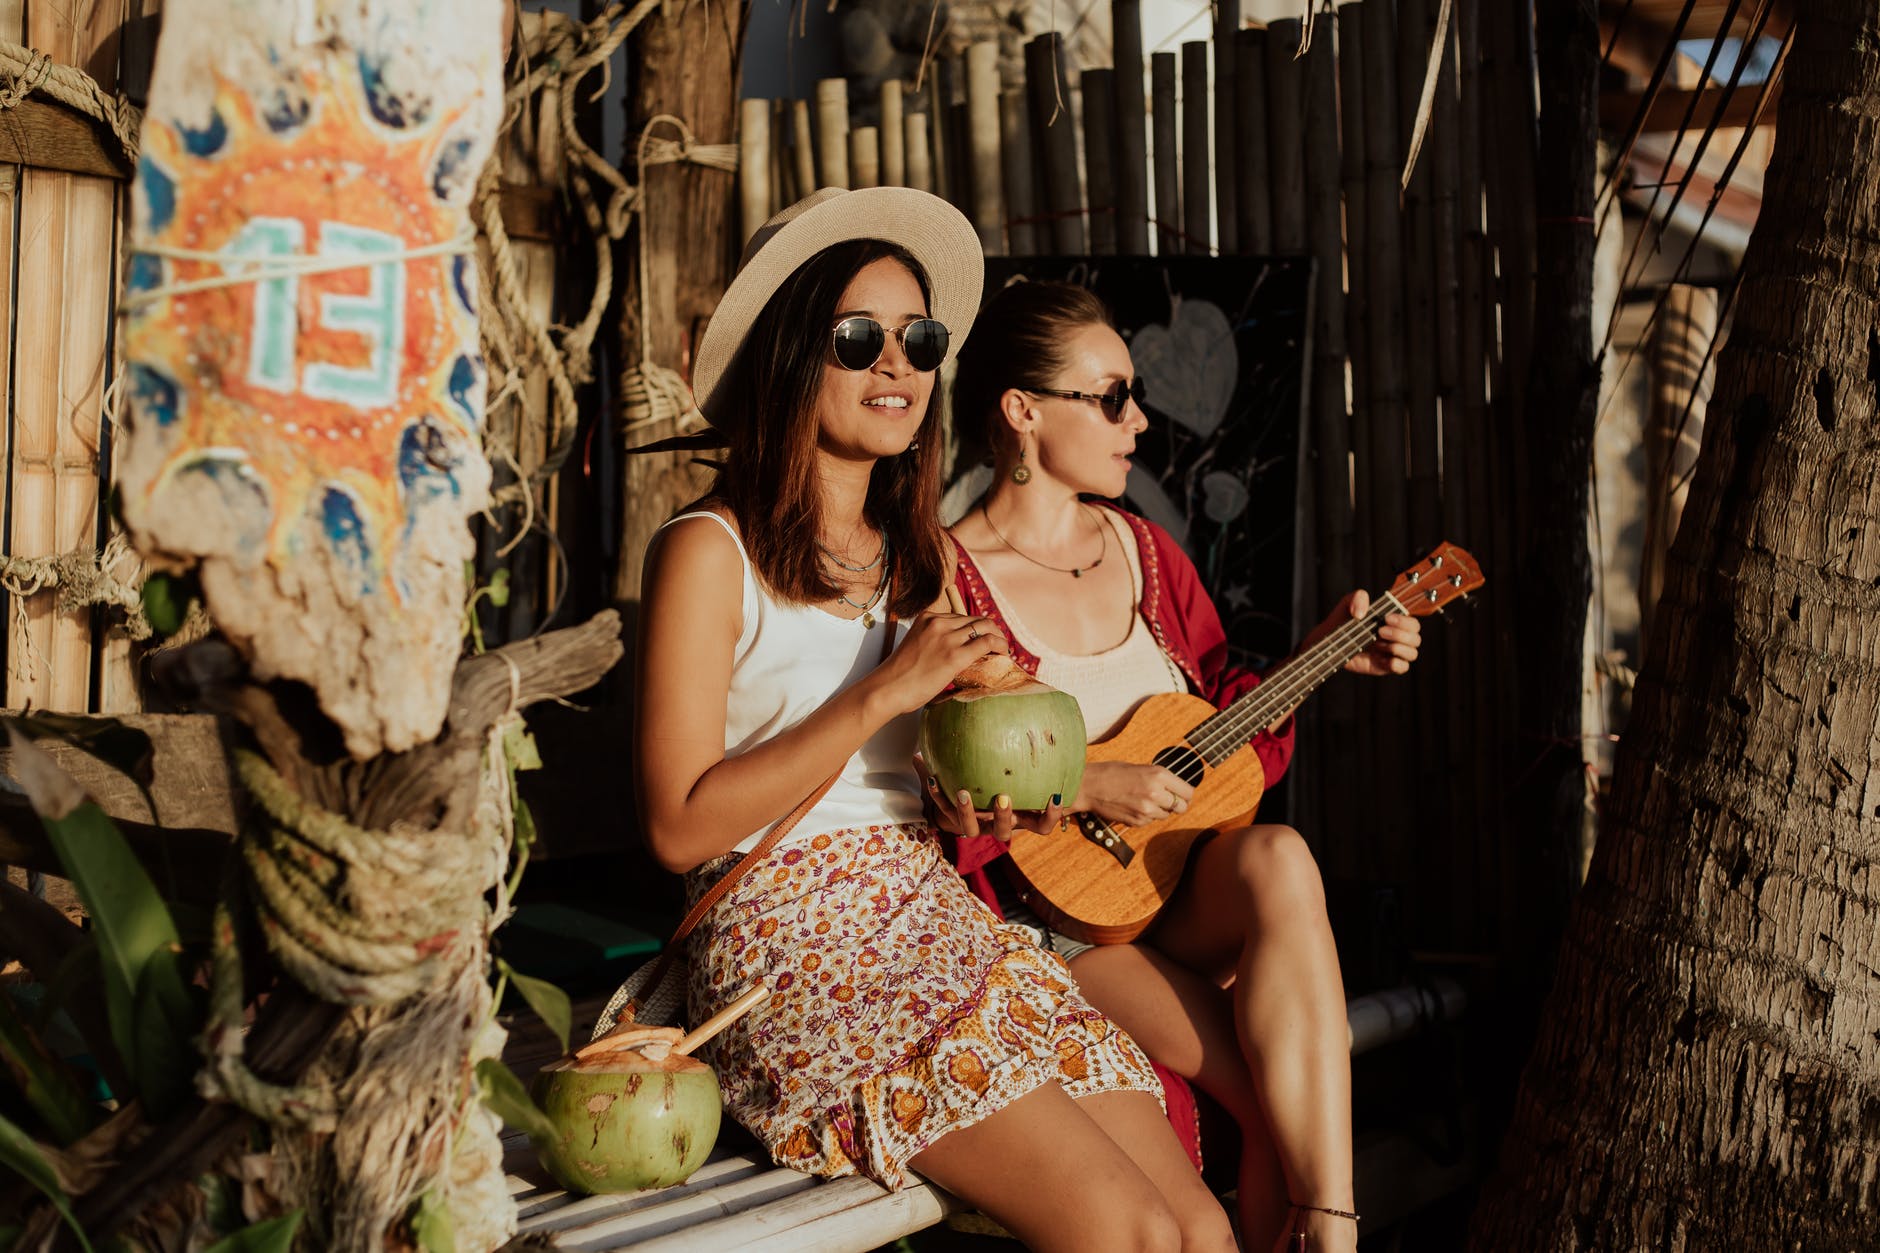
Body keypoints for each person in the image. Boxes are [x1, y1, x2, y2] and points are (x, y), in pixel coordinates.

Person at [621, 191, 1236, 1253]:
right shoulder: (705, 551)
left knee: (1194, 1221)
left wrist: (986, 788)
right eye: (857, 338)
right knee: (1122, 1227)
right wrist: (883, 690)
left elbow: (947, 801)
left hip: (939, 925)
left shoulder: (915, 559)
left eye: (919, 339)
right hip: (792, 946)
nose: (895, 364)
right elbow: (678, 826)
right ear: (788, 352)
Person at [942, 279, 1423, 1253]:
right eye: (1111, 396)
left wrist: (1324, 652)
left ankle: (1332, 1223)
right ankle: (1320, 1221)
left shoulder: (1148, 553)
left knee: (1279, 854)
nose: (1138, 420)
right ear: (1022, 411)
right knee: (1264, 1089)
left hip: (1182, 887)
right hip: (1067, 931)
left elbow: (1214, 725)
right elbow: (944, 788)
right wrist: (1086, 785)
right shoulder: (948, 582)